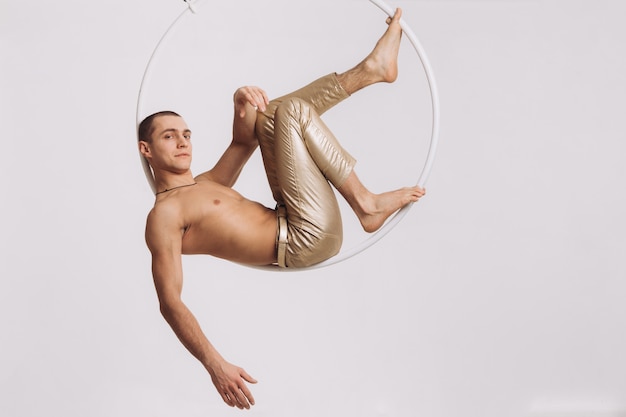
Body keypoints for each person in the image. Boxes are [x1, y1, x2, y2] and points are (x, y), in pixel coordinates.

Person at [137, 8, 425, 410]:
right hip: (304, 236)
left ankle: (372, 70)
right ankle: (365, 203)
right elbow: (169, 301)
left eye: (186, 133)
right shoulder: (164, 215)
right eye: (170, 137)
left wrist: (240, 101)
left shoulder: (206, 183)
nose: (183, 142)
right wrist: (214, 364)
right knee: (291, 113)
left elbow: (245, 140)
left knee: (273, 115)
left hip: (293, 214)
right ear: (146, 150)